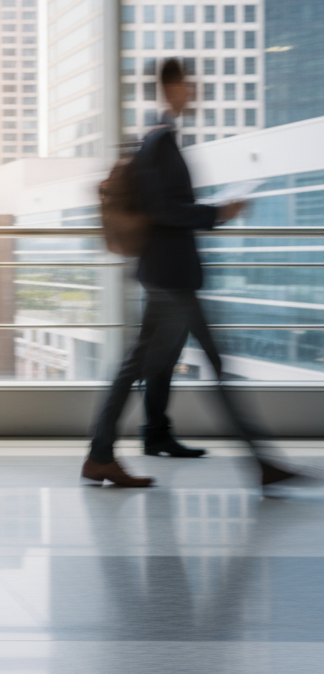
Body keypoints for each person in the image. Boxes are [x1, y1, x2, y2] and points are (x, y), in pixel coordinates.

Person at [82, 58, 297, 489]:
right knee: (170, 365)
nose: (194, 90)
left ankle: (108, 452)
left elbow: (166, 207)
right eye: (188, 83)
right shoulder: (160, 142)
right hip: (170, 278)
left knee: (159, 364)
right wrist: (220, 212)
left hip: (171, 276)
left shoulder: (163, 140)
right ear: (172, 87)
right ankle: (260, 462)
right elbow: (164, 211)